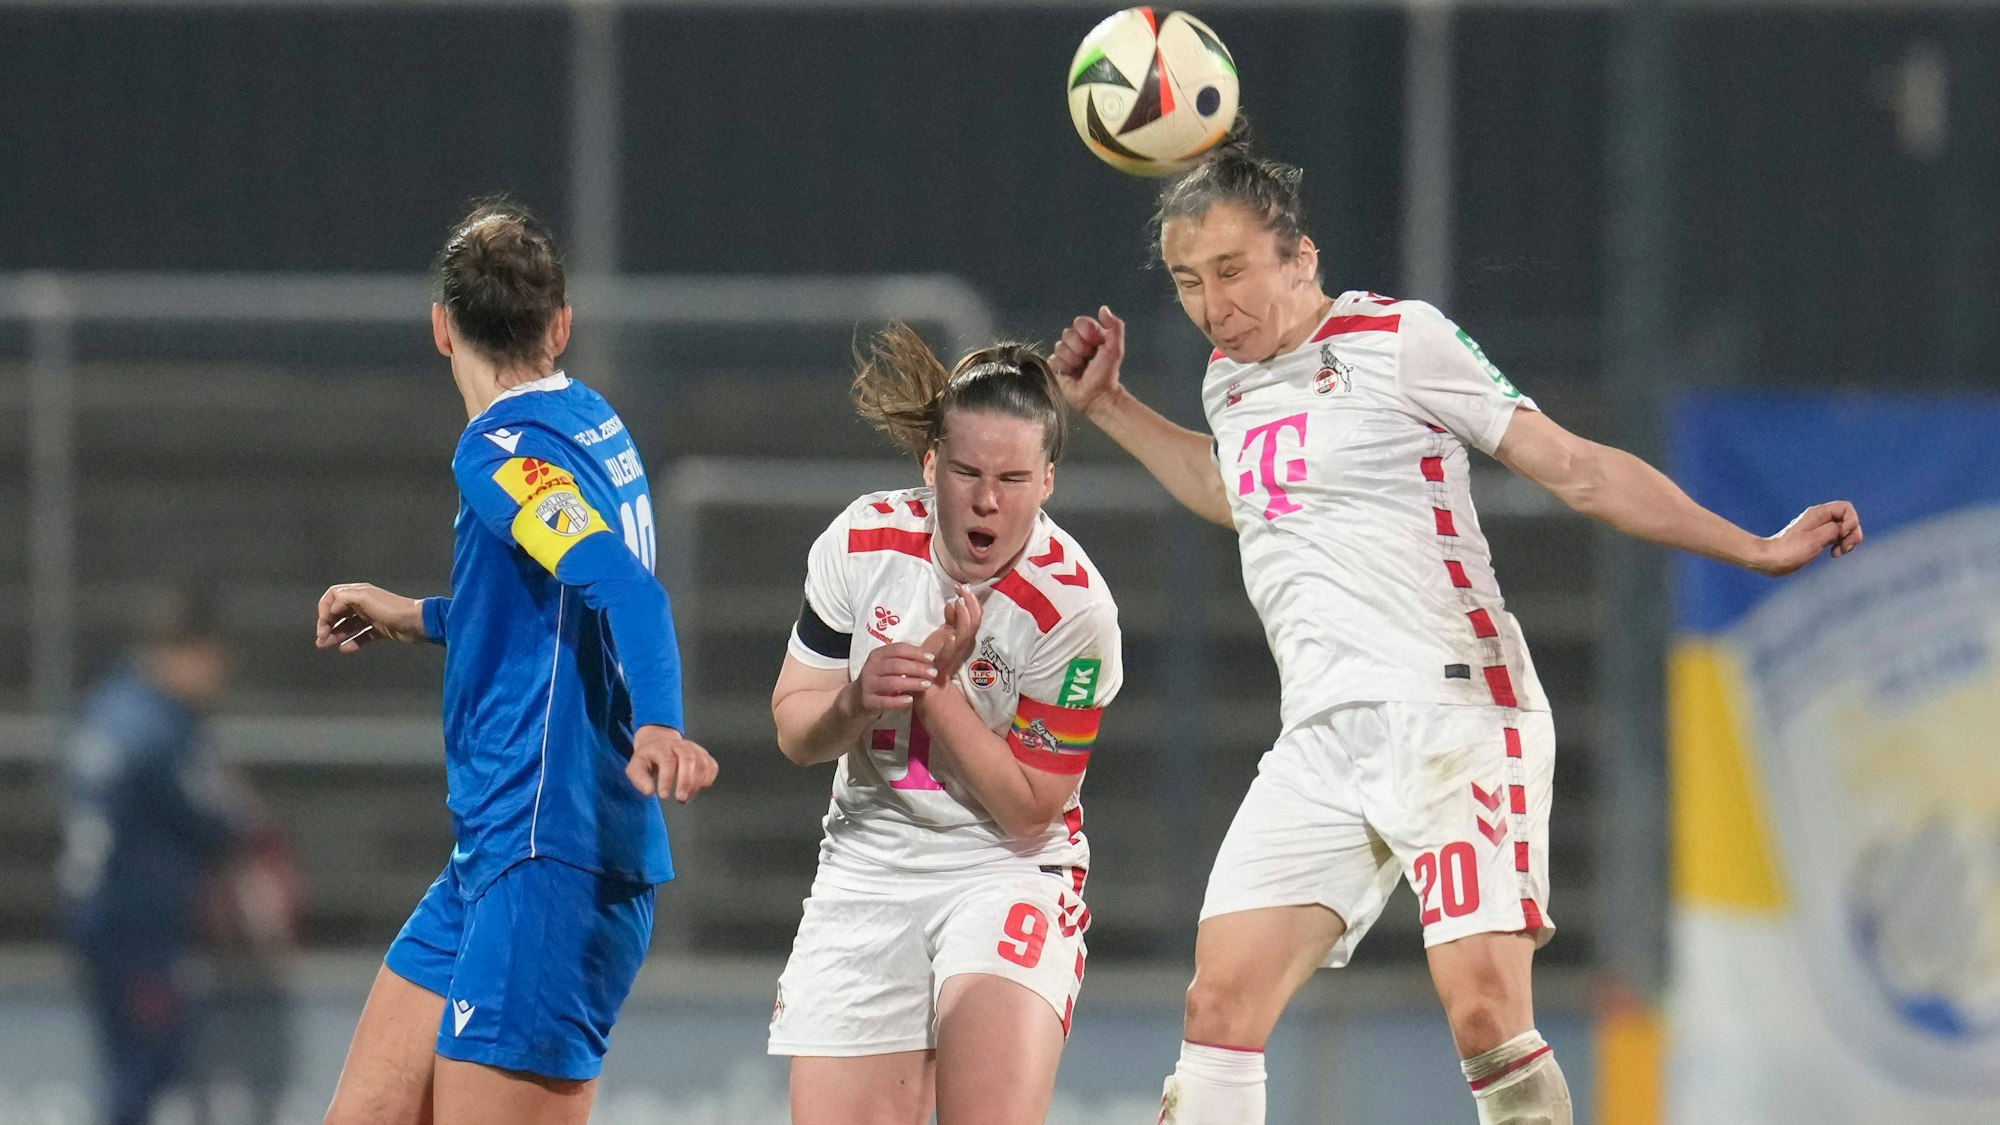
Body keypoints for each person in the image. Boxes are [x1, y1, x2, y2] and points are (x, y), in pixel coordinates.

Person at [1049, 135, 1864, 1125]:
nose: (1211, 306)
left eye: (1229, 271)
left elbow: (1574, 468)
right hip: (1319, 738)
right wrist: (1115, 409)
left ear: (1298, 259)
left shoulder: (1402, 341)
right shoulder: (1229, 382)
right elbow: (1244, 496)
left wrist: (1749, 547)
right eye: (1186, 281)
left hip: (1456, 714)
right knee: (1218, 1003)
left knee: (1482, 1011)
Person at [314, 199, 718, 1125]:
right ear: (561, 324)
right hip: (492, 851)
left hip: (552, 855)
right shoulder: (590, 420)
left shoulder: (504, 454)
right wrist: (415, 614)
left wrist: (658, 721)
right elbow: (550, 613)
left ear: (440, 326)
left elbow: (628, 590)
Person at [767, 324, 1123, 1125]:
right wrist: (856, 702)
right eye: (966, 471)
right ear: (931, 465)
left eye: (1013, 477)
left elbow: (1033, 804)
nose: (987, 498)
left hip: (1006, 867)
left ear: (1049, 480)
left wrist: (932, 688)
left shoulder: (1074, 609)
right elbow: (794, 727)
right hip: (867, 863)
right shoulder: (859, 543)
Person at [57, 587, 252, 1125]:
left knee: (130, 1063)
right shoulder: (163, 725)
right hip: (139, 924)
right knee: (146, 1068)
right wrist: (242, 817)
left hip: (94, 913)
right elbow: (215, 821)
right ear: (188, 652)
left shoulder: (106, 706)